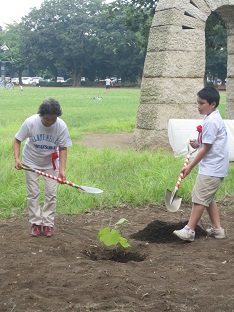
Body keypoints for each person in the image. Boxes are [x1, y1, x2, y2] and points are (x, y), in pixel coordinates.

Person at [173, 86, 229, 242]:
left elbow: (207, 148)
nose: (198, 106)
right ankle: (217, 229)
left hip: (212, 167)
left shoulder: (211, 121)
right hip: (214, 166)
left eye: (202, 103)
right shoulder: (212, 118)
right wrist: (198, 143)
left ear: (213, 104)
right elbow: (207, 143)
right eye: (197, 103)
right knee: (207, 197)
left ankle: (189, 230)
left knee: (199, 197)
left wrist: (190, 166)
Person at [14, 98, 72, 237]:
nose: (50, 122)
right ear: (41, 115)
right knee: (33, 193)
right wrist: (17, 159)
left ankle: (48, 224)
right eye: (47, 119)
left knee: (51, 193)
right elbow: (17, 139)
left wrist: (62, 171)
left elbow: (63, 148)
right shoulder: (30, 122)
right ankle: (35, 223)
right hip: (31, 161)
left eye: (53, 119)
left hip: (50, 163)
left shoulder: (61, 126)